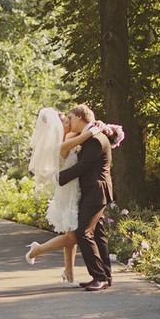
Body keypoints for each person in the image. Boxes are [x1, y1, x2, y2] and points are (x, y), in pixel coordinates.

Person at [25, 108, 90, 282]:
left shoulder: (68, 138)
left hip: (70, 190)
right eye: (65, 121)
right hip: (67, 193)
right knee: (73, 237)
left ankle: (69, 274)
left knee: (70, 235)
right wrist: (94, 128)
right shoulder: (61, 145)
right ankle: (36, 250)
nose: (69, 122)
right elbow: (86, 135)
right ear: (57, 127)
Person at [56, 103, 116, 292]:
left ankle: (98, 276)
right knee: (97, 234)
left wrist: (60, 177)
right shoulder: (90, 137)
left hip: (96, 192)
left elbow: (83, 167)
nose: (69, 121)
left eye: (71, 118)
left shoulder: (96, 140)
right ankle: (105, 276)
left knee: (82, 231)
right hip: (92, 191)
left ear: (80, 117)